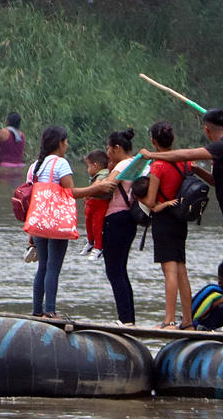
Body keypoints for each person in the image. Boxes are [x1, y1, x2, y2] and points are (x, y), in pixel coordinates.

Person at [144, 108, 223, 335]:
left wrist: (153, 156)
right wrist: (198, 171)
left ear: (207, 129)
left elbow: (187, 154)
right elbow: (216, 181)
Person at [24, 126, 120, 319]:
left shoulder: (35, 166)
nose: (67, 145)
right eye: (65, 141)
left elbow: (30, 197)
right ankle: (50, 311)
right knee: (53, 267)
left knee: (42, 266)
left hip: (39, 222)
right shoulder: (61, 164)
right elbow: (71, 193)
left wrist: (30, 232)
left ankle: (37, 311)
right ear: (60, 143)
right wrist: (98, 187)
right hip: (57, 223)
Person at [143, 121, 194, 328]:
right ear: (172, 139)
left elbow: (150, 200)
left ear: (154, 142)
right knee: (181, 268)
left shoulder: (158, 165)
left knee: (169, 271)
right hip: (180, 217)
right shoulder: (185, 163)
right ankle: (188, 320)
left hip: (164, 219)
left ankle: (169, 320)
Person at [95, 130, 145, 326]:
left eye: (108, 148)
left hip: (116, 218)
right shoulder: (138, 163)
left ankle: (125, 318)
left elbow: (108, 185)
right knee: (120, 270)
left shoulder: (124, 164)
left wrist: (99, 178)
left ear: (117, 148)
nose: (107, 153)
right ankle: (128, 317)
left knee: (114, 270)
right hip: (128, 219)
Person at [82, 149, 111, 259]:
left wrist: (87, 192)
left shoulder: (103, 174)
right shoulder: (97, 175)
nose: (88, 169)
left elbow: (98, 184)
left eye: (88, 166)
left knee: (97, 226)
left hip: (100, 203)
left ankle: (98, 247)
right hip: (92, 203)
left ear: (95, 165)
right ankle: (90, 242)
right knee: (89, 223)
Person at [189, 265, 223, 331]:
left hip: (197, 321)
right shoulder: (216, 292)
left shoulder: (214, 289)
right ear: (221, 282)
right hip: (200, 322)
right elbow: (209, 307)